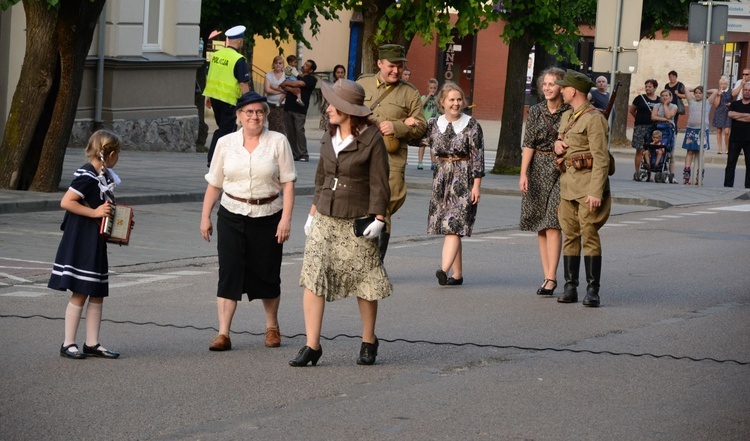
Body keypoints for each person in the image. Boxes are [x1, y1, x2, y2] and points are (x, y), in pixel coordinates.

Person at [290, 79, 392, 367]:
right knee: (313, 276)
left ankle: (369, 340)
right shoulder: (328, 133)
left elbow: (380, 182)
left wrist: (379, 218)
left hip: (357, 218)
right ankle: (312, 345)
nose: (328, 109)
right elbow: (321, 176)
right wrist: (312, 213)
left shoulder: (371, 138)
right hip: (325, 216)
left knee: (365, 281)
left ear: (349, 109)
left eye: (333, 104)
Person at [200, 91, 297, 351]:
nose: (255, 116)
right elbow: (214, 183)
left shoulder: (278, 141)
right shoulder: (225, 143)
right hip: (231, 213)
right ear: (239, 115)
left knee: (267, 272)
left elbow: (288, 183)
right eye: (249, 112)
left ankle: (272, 327)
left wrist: (285, 219)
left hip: (268, 215)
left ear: (265, 115)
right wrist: (205, 217)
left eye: (260, 112)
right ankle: (223, 333)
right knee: (229, 272)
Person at [49, 129, 123, 359]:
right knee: (81, 291)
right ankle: (68, 343)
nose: (118, 158)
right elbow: (66, 201)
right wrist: (95, 213)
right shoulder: (87, 176)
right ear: (109, 154)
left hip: (95, 240)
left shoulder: (103, 177)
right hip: (81, 240)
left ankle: (92, 343)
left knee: (97, 290)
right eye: (118, 153)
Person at [357, 44, 426, 260]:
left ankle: (376, 262)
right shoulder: (362, 84)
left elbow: (421, 126)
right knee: (361, 204)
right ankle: (362, 259)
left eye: (399, 66)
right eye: (391, 66)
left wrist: (397, 127)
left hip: (391, 160)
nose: (396, 71)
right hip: (361, 156)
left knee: (384, 207)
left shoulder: (409, 92)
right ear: (379, 63)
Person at [553, 69, 611, 308]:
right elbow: (561, 140)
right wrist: (557, 143)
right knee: (570, 236)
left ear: (573, 90)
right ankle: (570, 287)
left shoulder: (594, 118)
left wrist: (596, 191)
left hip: (587, 187)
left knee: (589, 236)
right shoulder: (568, 116)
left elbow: (601, 159)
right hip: (568, 185)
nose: (560, 90)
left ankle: (592, 290)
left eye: (563, 87)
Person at [421, 82, 484, 286]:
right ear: (442, 102)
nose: (456, 103)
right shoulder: (433, 124)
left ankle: (443, 269)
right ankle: (457, 275)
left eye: (459, 99)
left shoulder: (472, 125)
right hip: (441, 178)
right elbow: (418, 139)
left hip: (463, 179)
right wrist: (407, 124)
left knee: (454, 226)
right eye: (452, 100)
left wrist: (476, 186)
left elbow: (477, 158)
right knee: (450, 228)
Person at [519, 67, 569, 297]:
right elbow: (528, 143)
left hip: (561, 169)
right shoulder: (536, 110)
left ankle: (552, 278)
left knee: (552, 222)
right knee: (540, 224)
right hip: (537, 168)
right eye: (545, 84)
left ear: (561, 87)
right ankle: (546, 273)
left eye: (552, 84)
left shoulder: (569, 111)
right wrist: (523, 173)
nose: (548, 88)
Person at [203, 25, 251, 167]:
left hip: (215, 99)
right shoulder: (239, 59)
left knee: (223, 128)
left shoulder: (216, 56)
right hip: (229, 100)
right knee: (226, 131)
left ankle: (220, 158)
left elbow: (211, 76)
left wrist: (209, 97)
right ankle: (214, 158)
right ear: (239, 41)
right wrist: (249, 101)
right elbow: (243, 83)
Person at [280, 59, 318, 162]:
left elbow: (300, 84)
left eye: (307, 65)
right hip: (288, 106)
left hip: (300, 109)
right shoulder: (295, 75)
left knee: (299, 130)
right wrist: (290, 86)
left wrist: (288, 84)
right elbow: (283, 84)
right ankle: (294, 153)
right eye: (305, 64)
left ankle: (303, 154)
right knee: (290, 131)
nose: (304, 65)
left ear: (311, 70)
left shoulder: (311, 79)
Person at [682, 85, 718, 184]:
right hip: (691, 129)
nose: (697, 95)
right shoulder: (691, 101)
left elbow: (715, 90)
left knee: (699, 153)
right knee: (689, 152)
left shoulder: (707, 102)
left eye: (700, 93)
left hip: (702, 130)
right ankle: (687, 174)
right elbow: (685, 89)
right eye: (696, 93)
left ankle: (699, 176)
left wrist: (705, 89)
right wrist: (695, 88)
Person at [629, 79, 660, 180]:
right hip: (640, 127)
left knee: (650, 150)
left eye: (650, 86)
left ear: (655, 88)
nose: (648, 88)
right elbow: (632, 110)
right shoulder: (640, 98)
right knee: (640, 150)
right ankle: (637, 172)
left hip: (653, 128)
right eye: (646, 86)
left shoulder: (658, 100)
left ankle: (648, 173)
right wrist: (639, 118)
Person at [724, 82, 750, 188]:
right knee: (730, 164)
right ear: (742, 91)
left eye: (749, 90)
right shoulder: (735, 104)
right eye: (745, 90)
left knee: (749, 165)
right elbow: (730, 114)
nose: (747, 92)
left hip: (749, 139)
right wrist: (746, 116)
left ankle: (748, 188)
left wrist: (737, 116)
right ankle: (727, 186)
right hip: (735, 138)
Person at [652, 89, 678, 183]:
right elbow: (653, 116)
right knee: (655, 149)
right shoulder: (656, 106)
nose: (664, 97)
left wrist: (665, 105)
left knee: (670, 154)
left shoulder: (673, 106)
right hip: (658, 129)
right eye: (662, 95)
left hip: (669, 131)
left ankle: (672, 175)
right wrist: (665, 120)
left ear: (670, 97)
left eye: (666, 95)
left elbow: (669, 116)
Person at [417, 78, 439, 170]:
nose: (432, 90)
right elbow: (420, 106)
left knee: (432, 145)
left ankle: (433, 162)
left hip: (434, 124)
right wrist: (428, 97)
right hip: (425, 123)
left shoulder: (437, 99)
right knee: (422, 144)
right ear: (427, 89)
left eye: (434, 88)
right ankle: (420, 162)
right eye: (431, 88)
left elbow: (441, 109)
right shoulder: (423, 97)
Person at [263, 55, 287, 135]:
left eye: (280, 63)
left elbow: (288, 89)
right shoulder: (268, 75)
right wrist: (281, 91)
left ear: (283, 65)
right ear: (273, 64)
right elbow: (267, 90)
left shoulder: (286, 76)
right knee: (272, 126)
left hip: (283, 105)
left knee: (281, 126)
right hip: (271, 104)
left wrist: (274, 87)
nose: (278, 65)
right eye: (276, 63)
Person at [319, 64, 347, 131]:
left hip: (342, 111)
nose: (340, 74)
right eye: (338, 72)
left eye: (341, 72)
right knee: (328, 132)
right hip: (330, 110)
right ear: (334, 74)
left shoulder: (347, 86)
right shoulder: (329, 85)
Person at [713, 75, 732, 155]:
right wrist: (718, 95)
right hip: (719, 112)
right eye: (721, 84)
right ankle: (720, 149)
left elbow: (734, 102)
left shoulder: (731, 91)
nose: (723, 85)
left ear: (727, 84)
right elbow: (716, 105)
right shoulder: (718, 92)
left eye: (724, 84)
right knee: (719, 130)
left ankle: (727, 148)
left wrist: (730, 104)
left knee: (727, 131)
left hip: (727, 112)